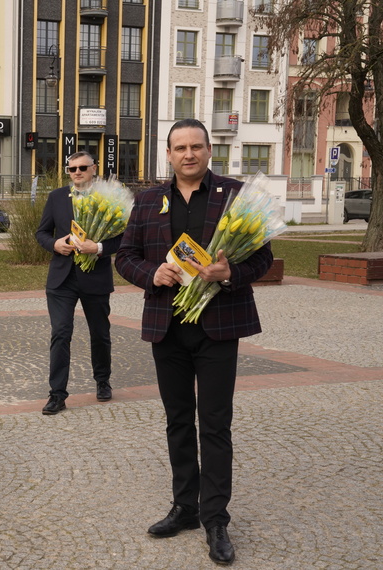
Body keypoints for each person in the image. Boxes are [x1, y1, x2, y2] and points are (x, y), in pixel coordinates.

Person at [115, 119, 273, 565]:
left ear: (208, 150)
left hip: (218, 327)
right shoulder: (147, 201)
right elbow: (124, 257)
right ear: (168, 154)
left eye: (196, 146)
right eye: (180, 147)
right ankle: (185, 506)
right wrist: (152, 273)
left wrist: (230, 274)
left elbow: (263, 257)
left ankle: (216, 517)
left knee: (215, 424)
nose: (189, 154)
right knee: (178, 420)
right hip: (167, 327)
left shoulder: (236, 196)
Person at [35, 152, 122, 415]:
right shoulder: (57, 197)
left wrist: (98, 247)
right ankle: (57, 394)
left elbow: (124, 236)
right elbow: (41, 232)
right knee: (61, 334)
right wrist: (55, 244)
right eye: (71, 168)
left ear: (93, 169)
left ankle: (102, 381)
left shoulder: (108, 198)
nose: (77, 172)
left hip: (95, 276)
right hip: (62, 279)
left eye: (83, 167)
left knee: (100, 333)